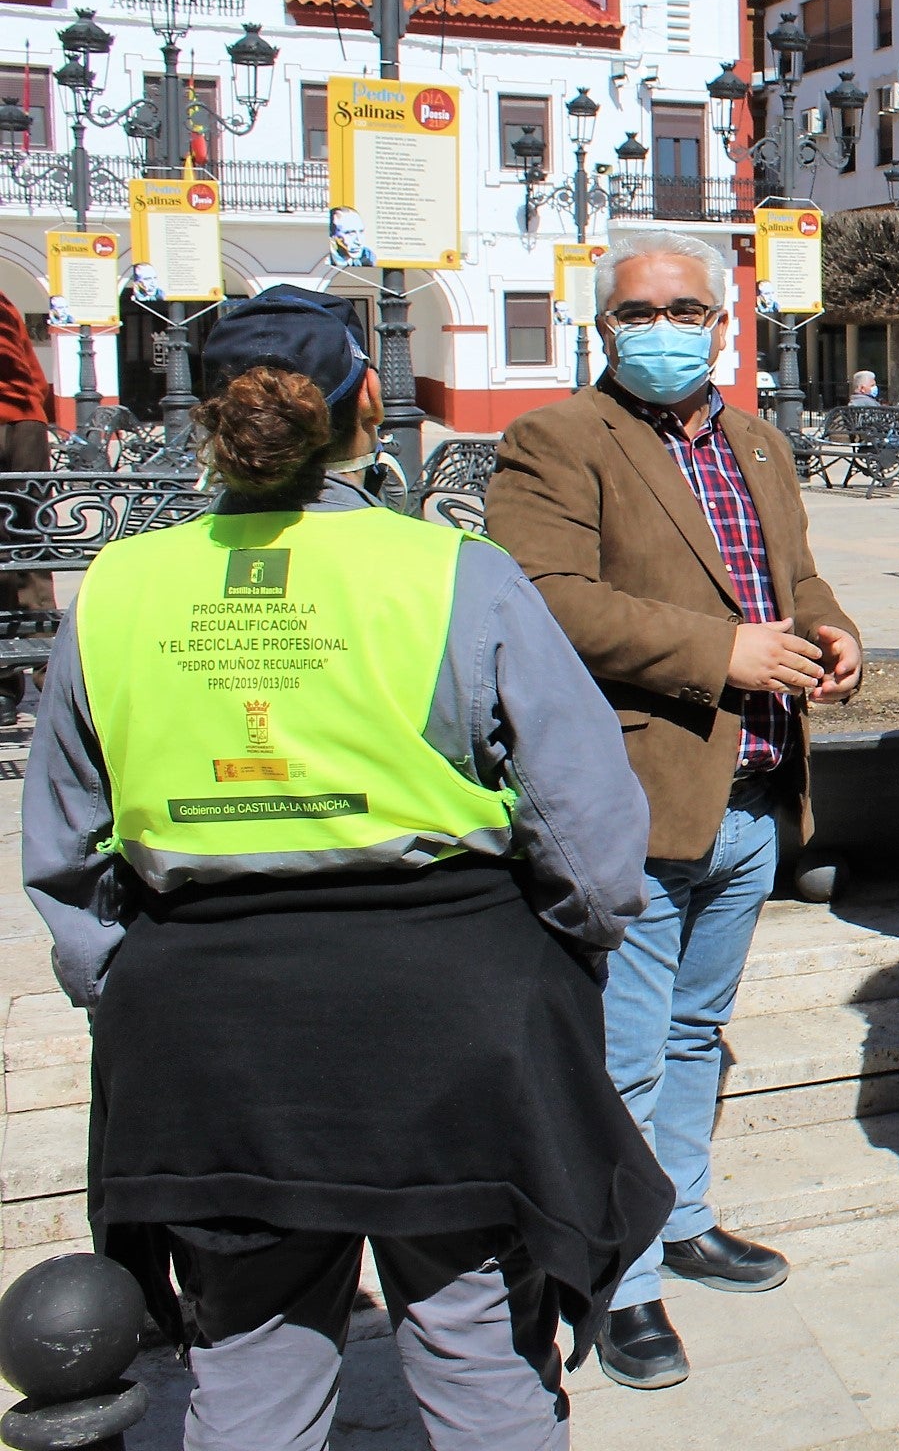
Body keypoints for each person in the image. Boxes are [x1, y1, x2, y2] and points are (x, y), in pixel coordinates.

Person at [22, 286, 667, 1447]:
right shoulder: (451, 572)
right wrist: (561, 952)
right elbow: (586, 827)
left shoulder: (118, 584)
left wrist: (129, 985)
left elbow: (65, 847)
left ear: (208, 414)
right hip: (446, 1014)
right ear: (369, 400)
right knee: (481, 1357)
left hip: (207, 1029)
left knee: (249, 1375)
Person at [485, 230, 863, 1391]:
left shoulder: (757, 440)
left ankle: (683, 1216)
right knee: (627, 1056)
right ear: (602, 327)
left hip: (753, 794)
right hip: (633, 799)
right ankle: (623, 1279)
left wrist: (831, 629)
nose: (661, 329)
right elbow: (545, 597)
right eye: (636, 313)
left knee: (696, 1032)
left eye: (684, 309)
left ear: (722, 322)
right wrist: (723, 652)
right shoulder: (558, 440)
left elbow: (792, 577)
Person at [0, 295, 55, 722]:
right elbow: (33, 375)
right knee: (32, 539)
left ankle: (4, 684)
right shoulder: (5, 303)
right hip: (25, 421)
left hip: (20, 416)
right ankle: (49, 671)